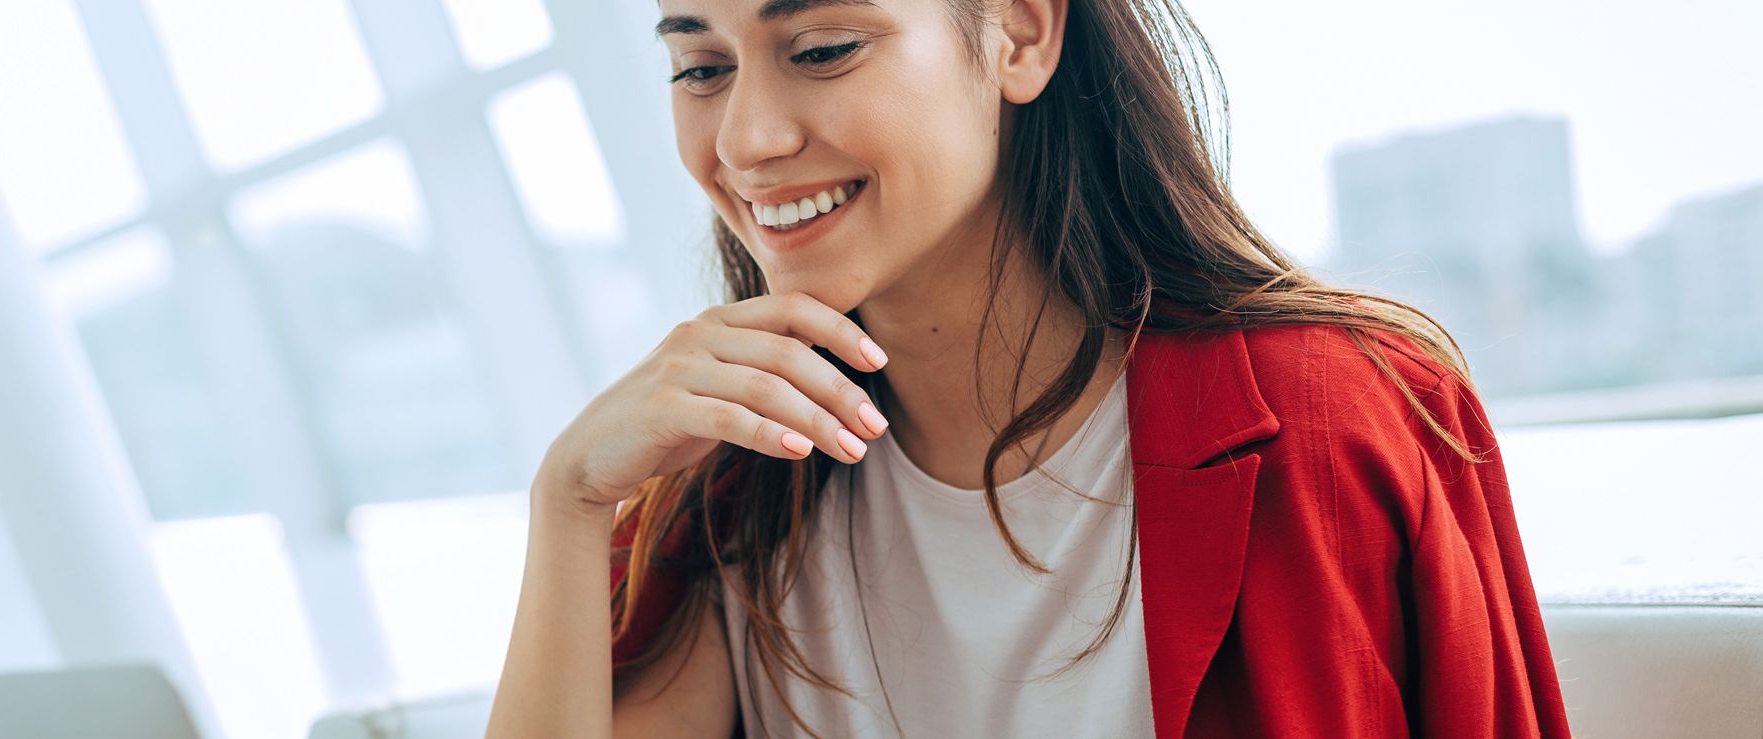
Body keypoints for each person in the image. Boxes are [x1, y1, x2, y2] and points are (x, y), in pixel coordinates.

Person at [485, 0, 1571, 736]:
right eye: (701, 69)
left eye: (821, 50)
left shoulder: (1337, 416)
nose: (746, 140)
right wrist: (568, 501)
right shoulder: (728, 490)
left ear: (1021, 31)